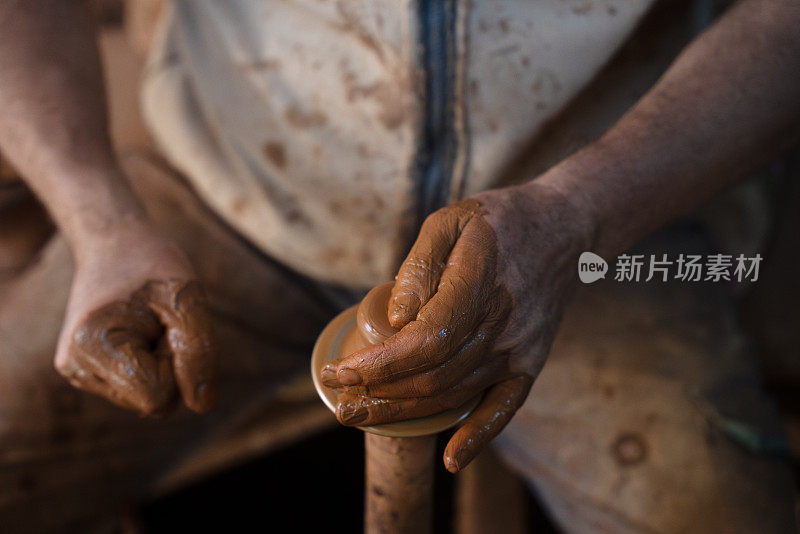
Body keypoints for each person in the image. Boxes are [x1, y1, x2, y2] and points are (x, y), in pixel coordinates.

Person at [0, 0, 797, 531]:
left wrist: (579, 214)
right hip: (229, 179)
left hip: (594, 217)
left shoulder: (584, 218)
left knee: (714, 509)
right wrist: (95, 217)